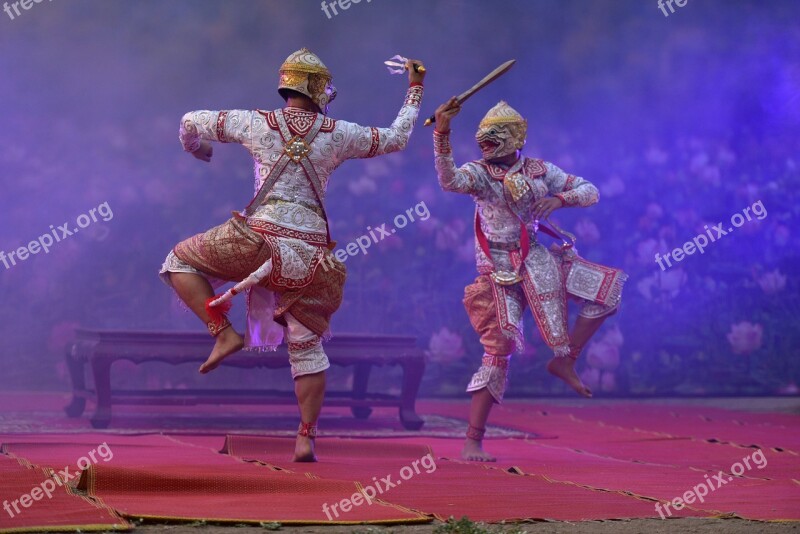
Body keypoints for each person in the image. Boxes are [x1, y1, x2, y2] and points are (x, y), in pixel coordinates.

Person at [159, 48, 425, 461]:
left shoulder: (254, 121)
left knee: (179, 260)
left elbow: (189, 121)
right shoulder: (339, 132)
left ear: (285, 85)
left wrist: (198, 150)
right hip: (309, 254)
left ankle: (223, 332)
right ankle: (305, 438)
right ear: (320, 91)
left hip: (255, 240)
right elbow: (398, 138)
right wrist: (415, 88)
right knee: (306, 347)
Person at [432, 98, 626, 461]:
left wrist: (560, 199)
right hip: (496, 266)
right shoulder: (478, 173)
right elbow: (448, 181)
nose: (486, 143)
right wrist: (442, 133)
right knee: (499, 349)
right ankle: (473, 440)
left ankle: (565, 360)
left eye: (495, 137)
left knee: (607, 293)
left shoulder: (540, 170)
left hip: (537, 257)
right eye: (483, 138)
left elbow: (591, 191)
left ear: (516, 137)